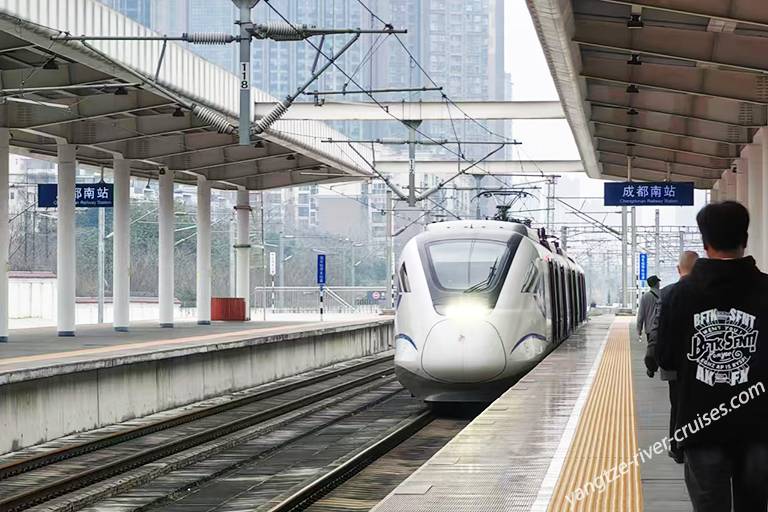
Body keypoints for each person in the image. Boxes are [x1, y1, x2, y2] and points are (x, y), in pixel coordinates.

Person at [657, 201, 768, 511]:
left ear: (705, 243)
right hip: (760, 426)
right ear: (744, 239)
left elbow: (666, 358)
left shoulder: (679, 295)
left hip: (700, 426)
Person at [646, 250, 699, 464]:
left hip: (672, 365)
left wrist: (652, 359)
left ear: (679, 269)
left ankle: (676, 447)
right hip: (697, 364)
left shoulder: (667, 293)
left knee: (676, 405)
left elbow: (657, 329)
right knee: (695, 403)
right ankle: (692, 443)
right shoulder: (707, 293)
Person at [636, 275, 661, 345]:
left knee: (652, 349)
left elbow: (641, 315)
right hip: (662, 328)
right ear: (657, 284)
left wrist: (639, 330)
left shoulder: (645, 297)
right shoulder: (663, 294)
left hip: (650, 329)